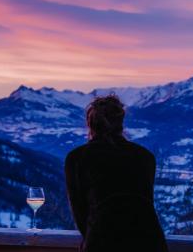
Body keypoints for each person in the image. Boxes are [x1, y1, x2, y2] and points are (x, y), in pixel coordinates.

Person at [64, 94, 168, 252]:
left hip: (102, 242)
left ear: (90, 124)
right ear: (121, 123)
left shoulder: (77, 158)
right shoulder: (145, 157)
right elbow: (144, 205)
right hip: (150, 242)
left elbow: (80, 214)